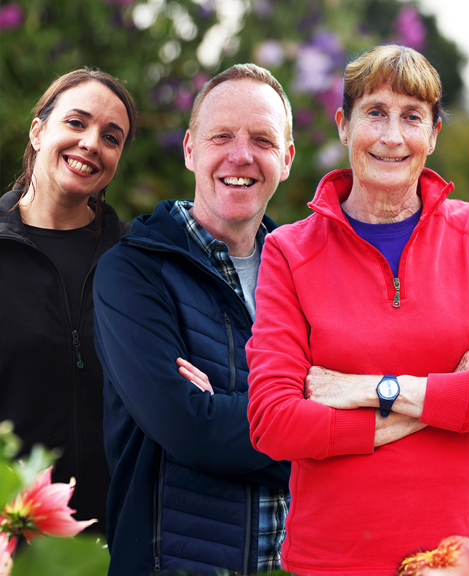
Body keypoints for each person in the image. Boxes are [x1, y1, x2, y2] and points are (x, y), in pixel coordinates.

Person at [245, 45, 469, 575]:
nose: (392, 136)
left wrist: (375, 389)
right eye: (375, 113)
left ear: (432, 134)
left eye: (411, 117)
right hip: (333, 561)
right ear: (344, 126)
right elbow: (274, 423)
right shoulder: (289, 252)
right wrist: (454, 385)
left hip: (466, 558)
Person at [94, 64, 294, 575]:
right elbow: (188, 429)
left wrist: (226, 410)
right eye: (221, 136)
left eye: (263, 140)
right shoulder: (132, 272)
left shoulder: (308, 273)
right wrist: (315, 420)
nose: (241, 155)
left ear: (287, 159)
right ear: (189, 149)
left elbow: (354, 425)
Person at [0, 68, 137, 537]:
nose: (91, 143)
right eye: (76, 123)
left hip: (121, 537)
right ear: (39, 131)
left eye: (111, 137)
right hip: (14, 533)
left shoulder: (137, 259)